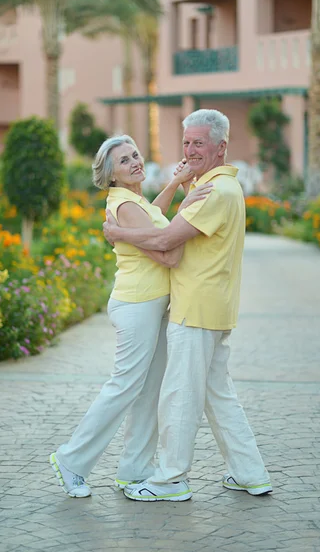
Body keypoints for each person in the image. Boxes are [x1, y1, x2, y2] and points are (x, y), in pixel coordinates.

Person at [103, 110, 272, 502]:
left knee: (179, 396)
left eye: (199, 143)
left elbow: (166, 242)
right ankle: (251, 473)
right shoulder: (220, 187)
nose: (190, 150)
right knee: (218, 395)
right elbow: (167, 227)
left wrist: (117, 232)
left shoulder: (213, 191)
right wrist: (180, 189)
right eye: (187, 142)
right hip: (210, 308)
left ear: (221, 147)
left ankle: (171, 480)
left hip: (194, 309)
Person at [50, 134, 212, 497]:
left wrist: (173, 185)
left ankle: (134, 469)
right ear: (111, 175)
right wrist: (190, 209)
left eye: (135, 155)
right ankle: (71, 460)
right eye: (124, 161)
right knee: (123, 387)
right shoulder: (123, 205)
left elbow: (154, 216)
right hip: (137, 305)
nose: (135, 162)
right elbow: (168, 254)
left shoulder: (133, 201)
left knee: (149, 390)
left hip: (150, 305)